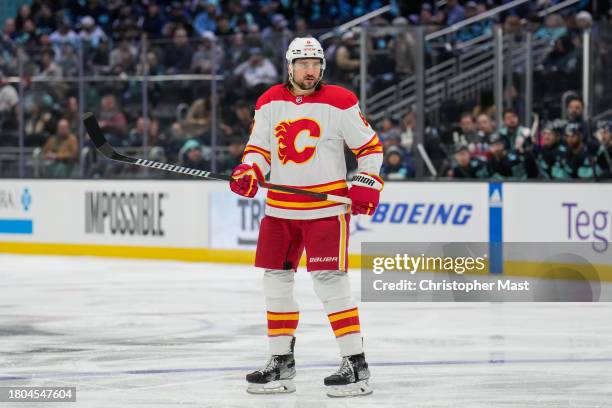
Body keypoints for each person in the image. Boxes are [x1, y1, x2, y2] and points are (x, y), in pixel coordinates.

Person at [229, 37, 382, 397]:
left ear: (322, 66)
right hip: (280, 210)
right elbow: (259, 149)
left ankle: (355, 365)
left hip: (325, 211)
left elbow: (370, 147)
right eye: (302, 63)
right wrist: (250, 170)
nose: (309, 70)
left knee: (330, 284)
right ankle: (281, 361)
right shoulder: (269, 100)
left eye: (315, 63)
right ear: (290, 66)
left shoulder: (340, 101)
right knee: (275, 283)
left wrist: (365, 181)